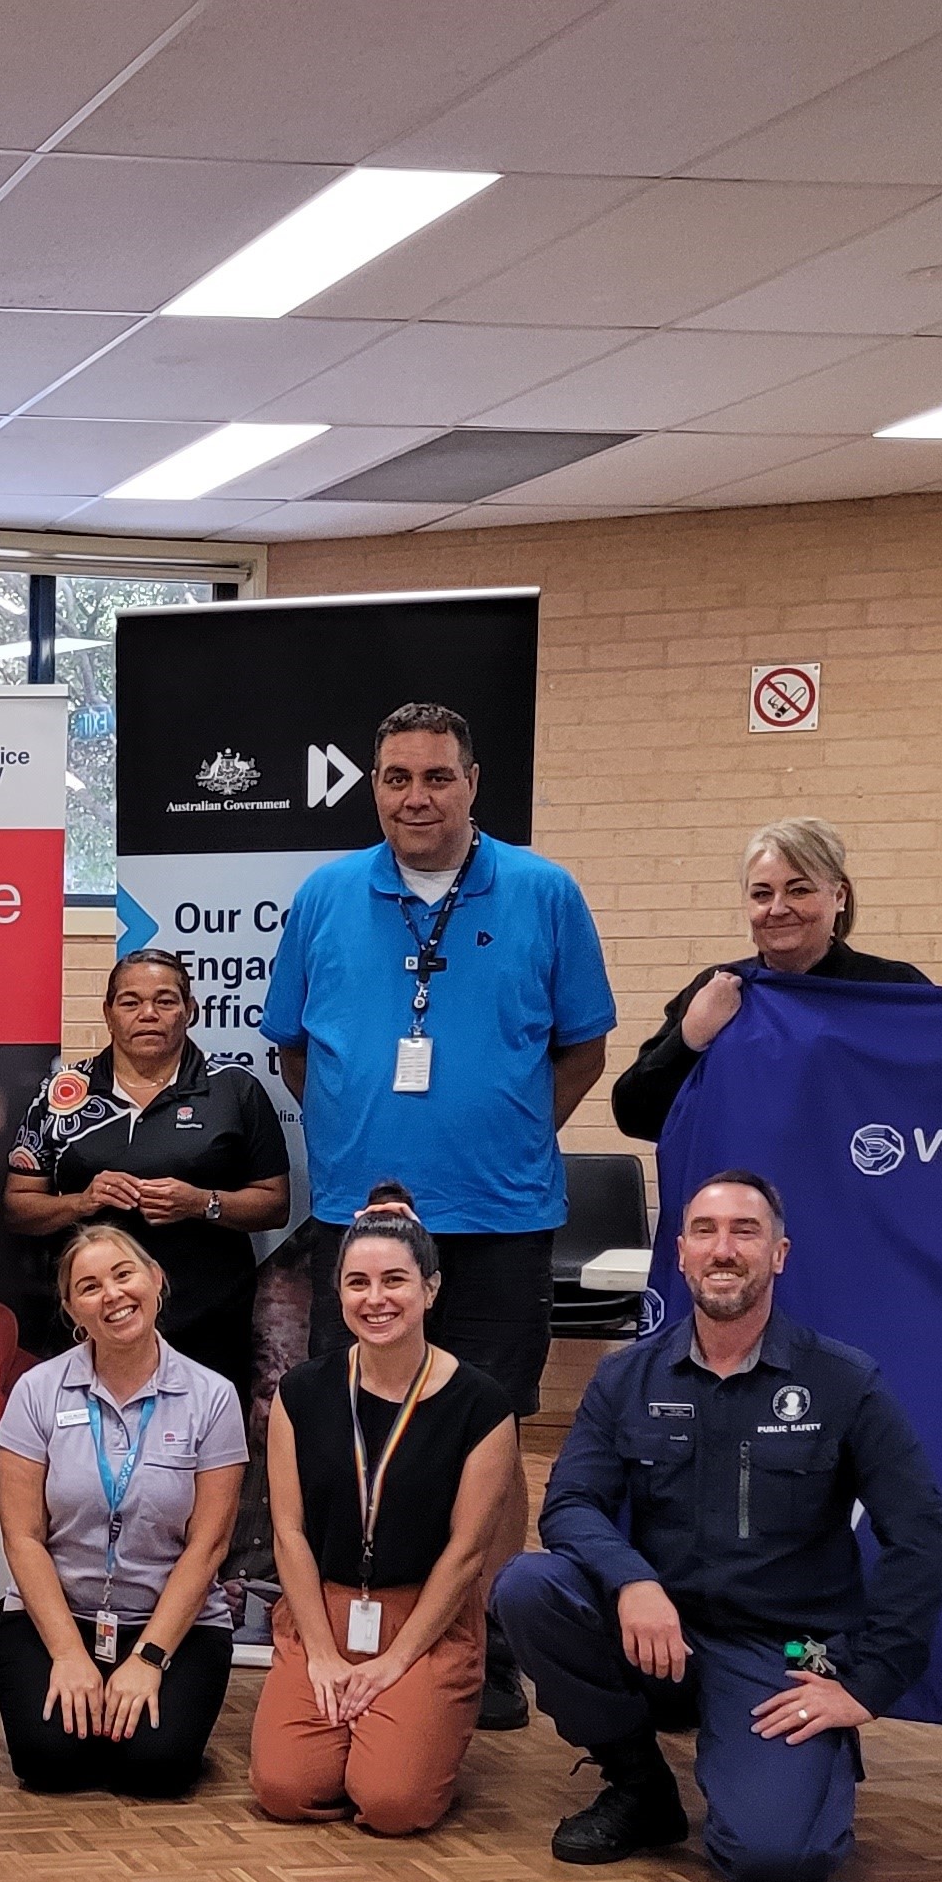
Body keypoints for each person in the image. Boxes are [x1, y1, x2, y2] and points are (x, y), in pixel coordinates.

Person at [260, 700, 615, 1733]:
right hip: (359, 1226)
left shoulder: (544, 892)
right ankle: (343, 1626)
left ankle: (486, 1646)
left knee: (489, 1445)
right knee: (353, 1445)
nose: (417, 796)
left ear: (473, 782)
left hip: (500, 1220)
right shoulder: (327, 895)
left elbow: (583, 1048)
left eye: (438, 777)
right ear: (373, 785)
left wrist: (506, 1134)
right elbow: (295, 1050)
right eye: (397, 777)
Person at [494, 1172, 942, 1882]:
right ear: (679, 1254)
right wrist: (633, 1580)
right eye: (705, 1231)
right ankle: (640, 1788)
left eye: (746, 1231)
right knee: (529, 1586)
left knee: (779, 1865)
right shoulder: (627, 1377)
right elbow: (572, 1502)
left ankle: (792, 1765)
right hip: (658, 1632)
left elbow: (923, 1538)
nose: (724, 1249)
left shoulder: (842, 1382)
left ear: (779, 1254)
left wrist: (866, 1686)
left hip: (782, 1648)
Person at [253, 1214, 522, 1836]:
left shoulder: (482, 1405)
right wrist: (320, 1654)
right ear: (338, 1291)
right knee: (284, 1790)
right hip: (321, 1610)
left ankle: (397, 1736)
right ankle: (351, 1737)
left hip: (422, 1618)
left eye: (394, 1281)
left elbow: (465, 1553)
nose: (375, 1300)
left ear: (430, 1289)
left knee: (393, 1805)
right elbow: (289, 1533)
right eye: (357, 1283)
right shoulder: (301, 1392)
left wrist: (393, 1664)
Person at [0, 1223, 247, 1797]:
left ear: (156, 1280)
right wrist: (68, 1654)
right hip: (59, 1617)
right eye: (89, 1286)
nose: (112, 1294)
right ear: (71, 1309)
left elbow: (209, 1546)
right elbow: (22, 1537)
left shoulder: (212, 1396)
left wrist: (148, 1660)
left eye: (124, 1274)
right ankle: (99, 1718)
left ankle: (142, 1727)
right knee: (47, 1763)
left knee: (157, 1772)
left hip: (173, 1627)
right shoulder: (37, 1391)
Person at [3, 946, 291, 1391]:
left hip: (207, 1324)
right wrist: (83, 1202)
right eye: (131, 1002)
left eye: (165, 1000)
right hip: (93, 1323)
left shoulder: (235, 1090)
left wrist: (202, 1203)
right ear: (109, 1012)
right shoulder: (63, 1093)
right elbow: (18, 1208)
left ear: (190, 1010)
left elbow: (275, 1205)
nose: (148, 1014)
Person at [611, 817, 931, 1140]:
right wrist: (689, 1038)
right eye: (762, 895)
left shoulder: (893, 990)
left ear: (839, 896)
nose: (778, 908)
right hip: (748, 1187)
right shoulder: (717, 988)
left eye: (799, 890)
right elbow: (634, 1115)